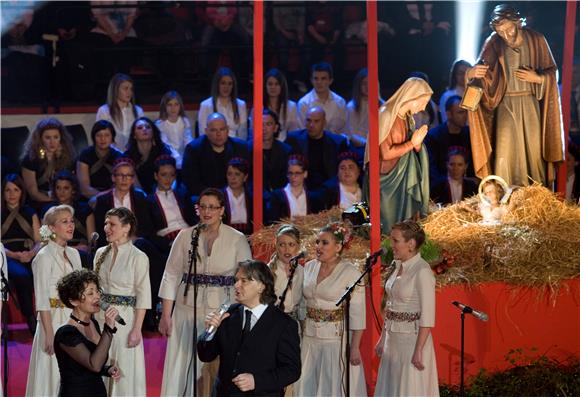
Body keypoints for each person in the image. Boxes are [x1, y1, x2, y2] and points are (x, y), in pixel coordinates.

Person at [158, 188, 252, 396]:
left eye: (212, 207)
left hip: (220, 313)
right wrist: (166, 314)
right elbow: (171, 275)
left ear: (222, 210)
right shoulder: (185, 236)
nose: (207, 211)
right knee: (181, 363)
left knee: (212, 366)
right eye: (203, 207)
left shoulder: (237, 238)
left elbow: (246, 278)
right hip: (185, 310)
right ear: (197, 209)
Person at [466, 4, 564, 187]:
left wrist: (539, 78)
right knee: (504, 152)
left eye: (509, 29)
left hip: (531, 103)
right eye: (500, 31)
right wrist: (471, 74)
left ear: (518, 23)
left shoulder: (536, 39)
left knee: (535, 152)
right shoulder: (494, 42)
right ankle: (506, 196)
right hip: (505, 104)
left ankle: (536, 194)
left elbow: (553, 72)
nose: (506, 35)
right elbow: (480, 74)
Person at [198, 259, 301, 397]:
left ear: (261, 286)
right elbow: (206, 356)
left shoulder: (284, 324)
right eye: (236, 280)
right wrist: (210, 332)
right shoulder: (228, 314)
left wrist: (256, 381)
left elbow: (292, 370)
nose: (236, 285)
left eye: (244, 281)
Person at [295, 222, 367, 396]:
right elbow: (302, 302)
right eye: (318, 242)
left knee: (331, 385)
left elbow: (358, 314)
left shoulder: (351, 273)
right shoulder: (310, 267)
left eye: (324, 243)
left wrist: (355, 347)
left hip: (335, 341)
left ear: (338, 247)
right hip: (309, 338)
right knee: (306, 382)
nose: (318, 247)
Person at [374, 220, 439, 397]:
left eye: (395, 240)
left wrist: (419, 350)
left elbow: (428, 316)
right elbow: (391, 306)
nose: (391, 245)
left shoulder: (422, 271)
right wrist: (383, 338)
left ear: (410, 244)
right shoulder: (397, 267)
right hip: (392, 342)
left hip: (411, 342)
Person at [93, 207, 151, 396]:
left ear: (126, 228)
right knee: (101, 362)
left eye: (112, 224)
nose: (107, 228)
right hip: (101, 317)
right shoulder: (101, 252)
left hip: (124, 320)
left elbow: (143, 296)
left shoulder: (138, 257)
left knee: (123, 367)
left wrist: (137, 329)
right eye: (106, 223)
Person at [26, 205, 83, 397]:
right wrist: (49, 333)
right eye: (64, 221)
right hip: (53, 320)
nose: (70, 225)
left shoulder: (75, 254)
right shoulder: (43, 257)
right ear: (51, 228)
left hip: (72, 319)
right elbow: (42, 298)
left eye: (72, 221)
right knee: (52, 371)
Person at [363, 77, 432, 234]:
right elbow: (385, 153)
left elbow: (413, 147)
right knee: (388, 223)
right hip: (386, 179)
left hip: (402, 177)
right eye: (423, 102)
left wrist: (418, 143)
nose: (423, 108)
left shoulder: (408, 118)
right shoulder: (386, 115)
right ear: (412, 97)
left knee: (403, 224)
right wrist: (412, 143)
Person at [53, 269, 121, 396]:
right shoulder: (66, 334)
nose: (97, 297)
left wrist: (107, 370)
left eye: (97, 291)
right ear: (73, 301)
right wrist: (109, 329)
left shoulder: (93, 323)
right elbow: (93, 365)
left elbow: (89, 366)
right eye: (90, 293)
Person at [1, 174, 41, 335]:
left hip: (29, 253)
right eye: (7, 190)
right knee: (22, 275)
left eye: (16, 190)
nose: (12, 194)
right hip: (7, 255)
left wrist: (31, 253)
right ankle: (30, 319)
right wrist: (16, 256)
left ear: (21, 192)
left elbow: (39, 240)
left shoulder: (30, 212)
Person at [182, 112, 250, 197]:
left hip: (235, 196)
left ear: (227, 130)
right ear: (206, 131)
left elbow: (248, 178)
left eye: (222, 129)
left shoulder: (240, 148)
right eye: (214, 130)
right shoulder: (194, 150)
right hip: (206, 198)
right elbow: (192, 183)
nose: (218, 134)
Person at [286, 106, 349, 188]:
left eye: (316, 121)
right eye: (308, 120)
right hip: (301, 186)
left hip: (329, 188)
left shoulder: (338, 142)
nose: (311, 125)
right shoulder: (293, 139)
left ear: (324, 122)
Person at [42, 171, 96, 267]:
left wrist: (79, 249)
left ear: (73, 190)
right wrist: (68, 248)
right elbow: (45, 238)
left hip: (80, 252)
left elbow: (92, 242)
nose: (61, 192)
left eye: (66, 188)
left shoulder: (85, 210)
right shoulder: (48, 210)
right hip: (55, 250)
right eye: (58, 188)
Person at [21, 118, 76, 206]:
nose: (52, 142)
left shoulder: (68, 157)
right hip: (41, 202)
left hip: (64, 201)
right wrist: (54, 203)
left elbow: (72, 186)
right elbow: (33, 193)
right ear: (40, 139)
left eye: (56, 137)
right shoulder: (30, 159)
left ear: (61, 138)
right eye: (47, 138)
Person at [147, 155, 196, 255]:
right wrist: (168, 243)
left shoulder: (183, 194)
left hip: (189, 237)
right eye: (164, 175)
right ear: (156, 176)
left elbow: (194, 219)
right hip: (167, 244)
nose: (168, 179)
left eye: (172, 175)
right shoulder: (149, 201)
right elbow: (149, 232)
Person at [425, 95, 473, 186]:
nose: (465, 116)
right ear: (449, 114)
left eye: (466, 112)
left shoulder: (469, 134)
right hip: (443, 189)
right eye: (460, 112)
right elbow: (432, 170)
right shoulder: (434, 137)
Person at [267, 155, 324, 224]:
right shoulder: (276, 196)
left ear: (305, 174)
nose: (293, 177)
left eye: (297, 173)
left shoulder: (314, 198)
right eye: (290, 173)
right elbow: (273, 221)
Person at [123, 117, 175, 194]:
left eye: (148, 127)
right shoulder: (128, 156)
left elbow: (168, 176)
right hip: (137, 194)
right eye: (140, 128)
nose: (144, 129)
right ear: (134, 135)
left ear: (153, 132)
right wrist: (142, 196)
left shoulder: (163, 151)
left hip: (161, 192)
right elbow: (131, 181)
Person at [96, 73, 144, 151]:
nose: (129, 92)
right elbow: (101, 137)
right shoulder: (104, 111)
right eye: (125, 88)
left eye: (131, 89)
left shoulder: (138, 111)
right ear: (115, 90)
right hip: (111, 155)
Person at [77, 120, 124, 198]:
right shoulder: (85, 155)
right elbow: (84, 188)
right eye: (99, 135)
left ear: (112, 137)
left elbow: (123, 184)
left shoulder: (119, 156)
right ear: (94, 137)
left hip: (114, 197)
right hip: (91, 198)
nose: (103, 139)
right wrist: (101, 198)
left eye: (107, 135)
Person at [198, 67, 248, 140]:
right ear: (217, 84)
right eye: (223, 83)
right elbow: (203, 133)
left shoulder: (241, 105)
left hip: (235, 147)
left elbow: (243, 134)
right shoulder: (205, 105)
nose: (226, 87)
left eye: (230, 84)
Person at [297, 62, 347, 134]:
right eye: (316, 79)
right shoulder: (304, 103)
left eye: (323, 79)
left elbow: (344, 130)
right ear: (311, 80)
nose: (319, 82)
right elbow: (302, 130)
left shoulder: (340, 102)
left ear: (330, 81)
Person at [346, 68, 384, 160]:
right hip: (359, 147)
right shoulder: (352, 106)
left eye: (370, 83)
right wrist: (368, 144)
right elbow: (351, 135)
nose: (367, 86)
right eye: (364, 83)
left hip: (379, 147)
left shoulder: (383, 105)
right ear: (359, 85)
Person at [267, 225, 304, 320]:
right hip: (273, 323)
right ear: (276, 246)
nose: (286, 250)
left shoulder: (301, 271)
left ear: (298, 246)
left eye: (291, 245)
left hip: (293, 325)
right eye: (282, 245)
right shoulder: (267, 271)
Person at [253, 109, 292, 194]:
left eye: (268, 124)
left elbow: (288, 179)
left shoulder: (286, 150)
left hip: (280, 197)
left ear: (275, 128)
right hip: (255, 198)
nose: (264, 128)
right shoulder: (247, 149)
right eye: (261, 124)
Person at [155, 90, 193, 169]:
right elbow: (166, 144)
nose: (173, 108)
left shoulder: (184, 121)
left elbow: (188, 139)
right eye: (170, 105)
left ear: (180, 106)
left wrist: (189, 155)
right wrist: (178, 159)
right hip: (168, 157)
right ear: (164, 106)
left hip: (184, 156)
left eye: (176, 104)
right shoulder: (160, 124)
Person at [262, 68, 300, 141]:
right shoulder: (258, 107)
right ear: (265, 86)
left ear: (282, 86)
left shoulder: (291, 106)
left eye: (277, 84)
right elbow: (252, 133)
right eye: (270, 84)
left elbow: (293, 133)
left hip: (285, 147)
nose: (273, 87)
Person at [223, 157, 253, 235]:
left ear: (245, 177)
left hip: (247, 239)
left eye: (237, 174)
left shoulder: (251, 197)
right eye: (230, 174)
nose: (233, 178)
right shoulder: (219, 196)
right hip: (224, 237)